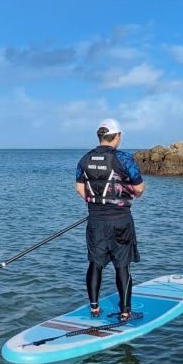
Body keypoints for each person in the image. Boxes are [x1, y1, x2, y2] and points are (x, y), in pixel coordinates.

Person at [75, 118, 145, 321]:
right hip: (120, 220)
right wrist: (127, 193)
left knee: (95, 264)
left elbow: (80, 189)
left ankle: (94, 308)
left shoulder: (84, 159)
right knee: (122, 265)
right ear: (117, 137)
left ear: (100, 136)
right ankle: (125, 312)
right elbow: (139, 188)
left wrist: (97, 204)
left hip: (95, 220)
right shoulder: (124, 159)